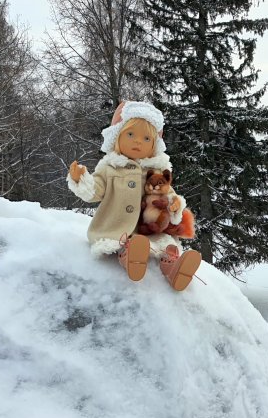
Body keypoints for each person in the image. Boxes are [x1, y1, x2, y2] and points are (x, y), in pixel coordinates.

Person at [67, 101, 202, 291]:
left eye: (146, 138)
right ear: (117, 137)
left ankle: (174, 269)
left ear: (154, 145)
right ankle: (130, 257)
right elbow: (95, 191)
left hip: (149, 229)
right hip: (115, 227)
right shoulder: (110, 168)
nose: (138, 141)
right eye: (130, 134)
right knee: (126, 243)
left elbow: (168, 193)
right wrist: (81, 179)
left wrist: (174, 204)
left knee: (166, 248)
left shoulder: (155, 172)